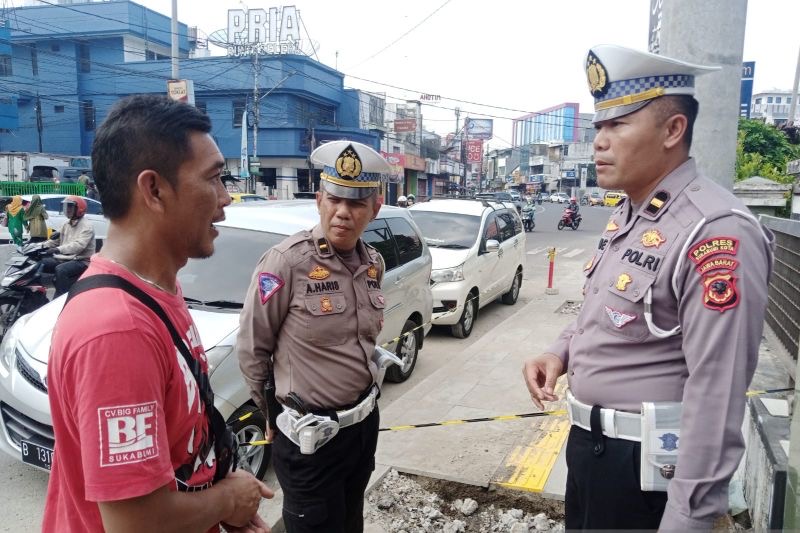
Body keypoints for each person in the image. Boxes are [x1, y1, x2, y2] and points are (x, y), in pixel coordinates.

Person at [523, 44, 774, 531]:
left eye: (618, 125)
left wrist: (689, 520)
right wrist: (560, 354)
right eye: (599, 126)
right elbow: (603, 313)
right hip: (592, 452)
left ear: (672, 130)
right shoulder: (631, 213)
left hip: (647, 476)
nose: (599, 141)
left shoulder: (716, 231)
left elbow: (716, 396)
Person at [43, 94, 273, 533]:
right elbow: (134, 522)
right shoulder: (117, 330)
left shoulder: (158, 289)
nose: (226, 198)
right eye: (215, 178)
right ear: (153, 189)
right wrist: (228, 499)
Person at [238, 140, 392, 533]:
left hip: (361, 427)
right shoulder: (287, 262)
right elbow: (254, 348)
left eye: (356, 203)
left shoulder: (373, 264)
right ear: (319, 199)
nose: (343, 212)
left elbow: (365, 341)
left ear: (375, 208)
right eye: (335, 199)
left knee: (350, 522)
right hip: (310, 438)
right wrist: (270, 413)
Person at [38, 196, 96, 297]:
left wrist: (57, 249)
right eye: (66, 207)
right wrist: (39, 246)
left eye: (70, 207)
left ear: (79, 210)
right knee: (39, 264)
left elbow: (78, 246)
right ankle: (37, 293)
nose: (67, 210)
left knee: (61, 270)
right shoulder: (66, 224)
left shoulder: (87, 226)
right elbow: (55, 241)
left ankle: (62, 298)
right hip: (65, 258)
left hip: (81, 260)